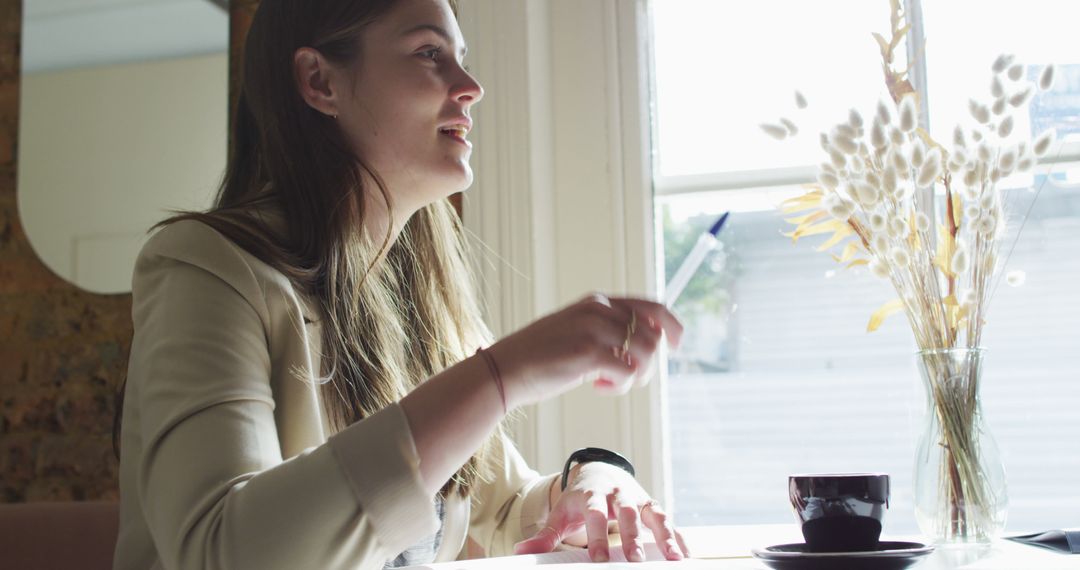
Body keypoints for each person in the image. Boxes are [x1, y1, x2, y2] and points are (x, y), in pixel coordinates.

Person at [111, 0, 687, 568]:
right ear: (320, 80)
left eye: (459, 56)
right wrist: (503, 374)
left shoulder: (424, 303)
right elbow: (220, 552)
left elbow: (507, 505)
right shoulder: (205, 266)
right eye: (428, 52)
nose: (471, 86)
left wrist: (595, 480)